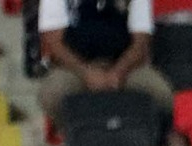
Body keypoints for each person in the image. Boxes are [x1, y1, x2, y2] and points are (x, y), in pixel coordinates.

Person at [35, 0, 173, 125]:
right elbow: (54, 43)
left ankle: (141, 143)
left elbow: (141, 42)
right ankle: (78, 139)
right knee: (53, 94)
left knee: (160, 94)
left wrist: (118, 72)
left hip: (126, 66)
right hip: (74, 68)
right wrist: (87, 73)